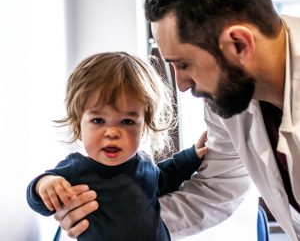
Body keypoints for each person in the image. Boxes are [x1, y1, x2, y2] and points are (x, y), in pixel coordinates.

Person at [53, 0, 300, 240]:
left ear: (239, 45)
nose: (182, 85)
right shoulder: (230, 97)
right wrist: (110, 219)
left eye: (183, 64)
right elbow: (215, 191)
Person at [26, 52, 208, 241]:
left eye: (127, 121)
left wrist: (193, 155)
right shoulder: (76, 169)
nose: (112, 132)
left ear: (144, 125)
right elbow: (40, 203)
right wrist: (43, 185)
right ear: (79, 125)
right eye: (98, 120)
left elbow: (165, 177)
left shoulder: (144, 164)